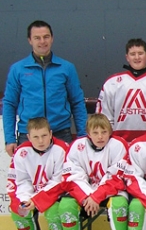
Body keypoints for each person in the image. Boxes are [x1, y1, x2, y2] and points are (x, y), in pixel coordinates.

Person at [54, 114, 129, 230]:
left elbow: (118, 178)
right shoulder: (77, 146)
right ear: (88, 133)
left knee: (120, 205)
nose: (100, 136)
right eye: (96, 132)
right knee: (65, 206)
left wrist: (96, 196)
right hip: (85, 194)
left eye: (104, 132)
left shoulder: (118, 145)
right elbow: (70, 177)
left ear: (110, 132)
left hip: (111, 191)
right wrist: (88, 196)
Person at [3, 20, 87, 156]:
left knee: (64, 176)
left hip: (60, 133)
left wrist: (83, 136)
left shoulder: (66, 68)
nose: (42, 41)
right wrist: (10, 139)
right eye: (37, 38)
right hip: (29, 135)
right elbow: (9, 104)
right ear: (30, 40)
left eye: (46, 37)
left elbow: (77, 102)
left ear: (52, 38)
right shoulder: (18, 69)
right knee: (30, 177)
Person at [7, 117, 69, 230]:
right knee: (18, 209)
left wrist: (38, 199)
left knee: (53, 211)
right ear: (28, 137)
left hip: (56, 194)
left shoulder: (62, 149)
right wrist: (25, 199)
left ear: (51, 133)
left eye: (44, 136)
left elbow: (61, 182)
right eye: (35, 137)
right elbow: (20, 181)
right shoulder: (21, 152)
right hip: (32, 194)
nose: (41, 141)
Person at [96, 38, 146, 142]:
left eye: (140, 53)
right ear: (127, 57)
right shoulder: (112, 82)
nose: (137, 57)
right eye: (132, 54)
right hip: (119, 142)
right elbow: (104, 116)